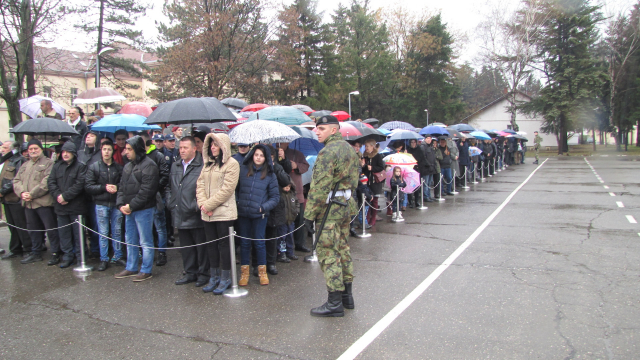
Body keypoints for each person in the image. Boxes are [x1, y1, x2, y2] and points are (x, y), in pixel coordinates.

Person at [304, 115, 359, 317]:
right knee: (343, 248)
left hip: (330, 209)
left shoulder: (328, 152)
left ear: (334, 130)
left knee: (328, 253)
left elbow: (319, 186)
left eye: (322, 128)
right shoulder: (349, 149)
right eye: (316, 128)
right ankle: (347, 297)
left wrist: (309, 215)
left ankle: (334, 302)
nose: (316, 131)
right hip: (344, 205)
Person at [195, 134, 239, 294]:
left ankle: (225, 277)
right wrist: (202, 204)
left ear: (223, 146)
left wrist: (208, 205)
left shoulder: (232, 164)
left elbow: (227, 189)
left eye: (215, 144)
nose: (212, 147)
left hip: (224, 212)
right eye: (211, 145)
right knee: (211, 246)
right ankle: (214, 276)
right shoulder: (208, 164)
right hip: (208, 213)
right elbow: (199, 184)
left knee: (224, 246)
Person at [114, 136, 159, 282]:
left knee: (145, 241)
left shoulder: (149, 165)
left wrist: (131, 205)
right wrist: (121, 204)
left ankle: (146, 269)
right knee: (130, 239)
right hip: (129, 209)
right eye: (126, 149)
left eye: (129, 149)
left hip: (143, 209)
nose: (126, 152)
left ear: (137, 149)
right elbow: (121, 187)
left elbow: (147, 191)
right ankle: (131, 266)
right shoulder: (128, 166)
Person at [236, 144, 279, 287]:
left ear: (265, 158)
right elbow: (235, 189)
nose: (258, 158)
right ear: (252, 155)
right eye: (256, 155)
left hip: (259, 215)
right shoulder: (243, 170)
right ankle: (244, 274)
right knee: (245, 244)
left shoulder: (270, 175)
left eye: (261, 155)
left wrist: (263, 208)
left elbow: (275, 198)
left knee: (259, 244)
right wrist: (238, 203)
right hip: (243, 213)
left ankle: (262, 273)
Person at [13, 139, 61, 265]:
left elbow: (46, 182)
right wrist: (22, 193)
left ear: (41, 149)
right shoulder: (25, 165)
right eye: (30, 149)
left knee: (51, 229)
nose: (33, 151)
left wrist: (32, 194)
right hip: (28, 204)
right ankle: (36, 252)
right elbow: (16, 180)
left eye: (35, 148)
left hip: (43, 203)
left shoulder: (49, 163)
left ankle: (55, 253)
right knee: (33, 229)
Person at [169, 136, 208, 287]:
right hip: (179, 211)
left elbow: (205, 188)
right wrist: (171, 202)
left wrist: (195, 205)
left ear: (194, 148)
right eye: (180, 148)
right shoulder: (176, 165)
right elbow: (169, 186)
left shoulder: (202, 165)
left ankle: (203, 273)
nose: (182, 150)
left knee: (201, 246)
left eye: (185, 148)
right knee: (186, 246)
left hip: (195, 212)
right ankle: (190, 272)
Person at [85, 139, 125, 271]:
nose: (106, 152)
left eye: (109, 149)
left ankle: (118, 256)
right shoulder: (94, 167)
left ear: (112, 151)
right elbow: (89, 186)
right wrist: (104, 187)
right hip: (101, 203)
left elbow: (124, 184)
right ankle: (104, 258)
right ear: (101, 151)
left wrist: (117, 187)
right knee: (103, 232)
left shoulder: (118, 167)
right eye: (104, 149)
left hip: (115, 203)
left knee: (117, 231)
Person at [47, 142, 87, 268]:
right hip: (61, 206)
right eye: (63, 152)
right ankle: (67, 256)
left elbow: (80, 184)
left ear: (73, 153)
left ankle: (81, 257)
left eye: (68, 152)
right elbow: (51, 182)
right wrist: (58, 196)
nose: (65, 154)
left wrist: (66, 196)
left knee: (78, 234)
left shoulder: (81, 167)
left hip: (76, 206)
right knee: (64, 234)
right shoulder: (57, 166)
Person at [140, 132, 170, 266]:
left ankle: (162, 252)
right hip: (142, 198)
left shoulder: (158, 156)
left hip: (156, 196)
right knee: (146, 227)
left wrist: (154, 189)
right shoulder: (139, 157)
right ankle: (147, 252)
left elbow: (164, 175)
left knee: (160, 226)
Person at [0, 141, 32, 259]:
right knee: (12, 225)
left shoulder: (19, 160)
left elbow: (15, 179)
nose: (2, 149)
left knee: (21, 224)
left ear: (11, 149)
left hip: (15, 198)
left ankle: (28, 249)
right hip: (6, 199)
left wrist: (2, 191)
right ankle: (15, 248)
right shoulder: (6, 160)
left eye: (4, 147)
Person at [277, 142, 310, 254]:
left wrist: (296, 166)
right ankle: (283, 248)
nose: (280, 143)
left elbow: (305, 166)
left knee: (299, 220)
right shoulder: (273, 153)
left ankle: (300, 243)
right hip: (282, 193)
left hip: (297, 192)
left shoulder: (297, 154)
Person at [270, 178, 299, 263]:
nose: (287, 188)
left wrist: (296, 212)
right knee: (282, 238)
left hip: (291, 220)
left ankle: (290, 252)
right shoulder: (279, 195)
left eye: (289, 186)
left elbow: (297, 203)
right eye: (285, 186)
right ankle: (281, 253)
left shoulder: (292, 194)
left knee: (290, 237)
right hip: (282, 221)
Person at [362, 139, 385, 226]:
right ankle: (367, 218)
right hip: (367, 181)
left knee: (374, 200)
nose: (366, 148)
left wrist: (372, 168)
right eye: (365, 146)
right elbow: (364, 169)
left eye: (367, 146)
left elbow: (381, 167)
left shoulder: (378, 156)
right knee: (367, 200)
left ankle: (373, 217)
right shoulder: (365, 156)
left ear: (372, 146)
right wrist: (363, 165)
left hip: (375, 182)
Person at [420, 135, 439, 202]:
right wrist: (428, 164)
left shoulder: (430, 146)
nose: (429, 140)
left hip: (431, 167)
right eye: (428, 138)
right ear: (425, 139)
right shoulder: (423, 146)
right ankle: (425, 196)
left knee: (429, 183)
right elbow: (423, 157)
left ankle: (429, 195)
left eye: (430, 138)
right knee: (426, 183)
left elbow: (433, 157)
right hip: (426, 168)